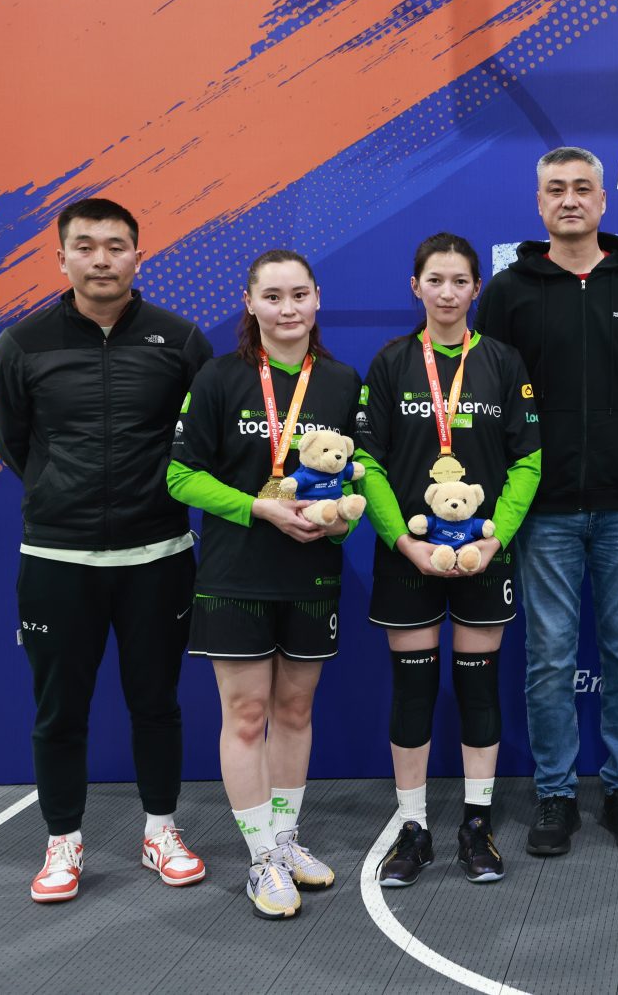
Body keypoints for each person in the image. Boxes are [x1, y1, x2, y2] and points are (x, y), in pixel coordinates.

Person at [0, 197, 212, 903]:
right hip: (58, 561)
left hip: (158, 555)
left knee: (157, 703)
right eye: (85, 246)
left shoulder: (181, 341)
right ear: (61, 258)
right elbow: (18, 445)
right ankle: (63, 841)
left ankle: (161, 831)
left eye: (116, 246)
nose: (101, 259)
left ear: (138, 256)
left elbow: (199, 443)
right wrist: (63, 496)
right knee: (59, 711)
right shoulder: (21, 344)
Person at [473, 146, 618, 855]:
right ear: (539, 204)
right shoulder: (508, 292)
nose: (569, 199)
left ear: (603, 200)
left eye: (582, 188)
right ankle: (555, 794)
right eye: (556, 189)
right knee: (551, 657)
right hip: (545, 507)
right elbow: (490, 402)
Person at [168, 250, 367, 919]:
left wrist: (339, 522)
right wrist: (260, 507)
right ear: (250, 302)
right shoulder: (219, 377)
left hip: (312, 574)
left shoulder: (341, 381)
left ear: (318, 299)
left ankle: (285, 840)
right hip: (236, 574)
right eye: (273, 296)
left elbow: (357, 474)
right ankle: (260, 859)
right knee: (248, 715)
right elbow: (180, 476)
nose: (287, 308)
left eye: (299, 295)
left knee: (295, 712)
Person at [357, 233, 541, 886]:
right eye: (434, 279)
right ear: (415, 286)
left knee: (477, 687)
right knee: (412, 690)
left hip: (482, 556)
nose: (447, 292)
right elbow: (367, 462)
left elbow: (528, 460)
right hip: (408, 556)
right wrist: (403, 542)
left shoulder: (502, 361)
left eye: (460, 280)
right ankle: (413, 829)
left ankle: (476, 824)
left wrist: (495, 540)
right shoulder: (390, 363)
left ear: (476, 289)